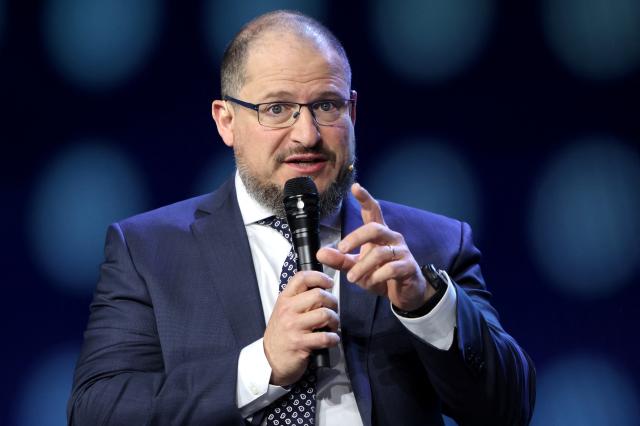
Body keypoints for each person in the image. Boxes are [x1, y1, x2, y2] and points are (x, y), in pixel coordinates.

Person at [68, 10, 535, 426]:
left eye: (326, 106)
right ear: (226, 121)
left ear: (352, 111)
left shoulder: (428, 246)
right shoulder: (148, 250)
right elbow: (98, 411)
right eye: (277, 109)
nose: (307, 134)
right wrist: (261, 365)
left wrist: (425, 305)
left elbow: (508, 410)